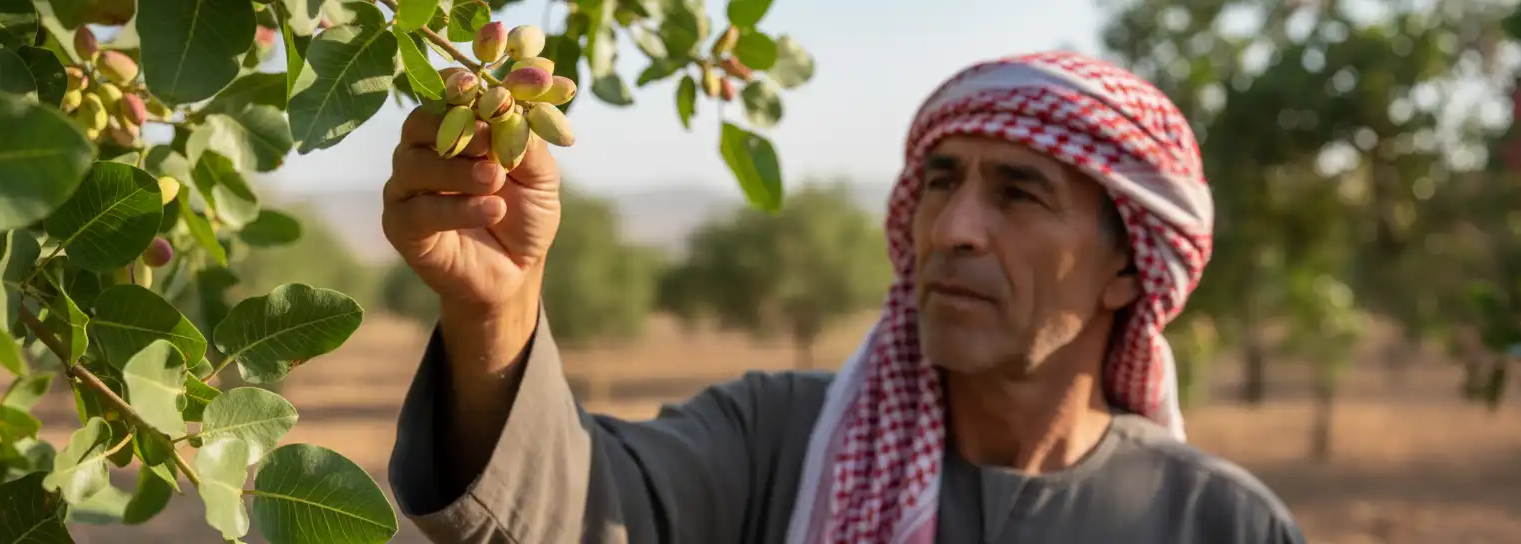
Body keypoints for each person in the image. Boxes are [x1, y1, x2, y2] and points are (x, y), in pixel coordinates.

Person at [380, 51, 1305, 543]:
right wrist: (497, 308)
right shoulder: (776, 440)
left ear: (1130, 269)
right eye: (941, 183)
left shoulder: (1220, 523)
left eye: (1018, 194)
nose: (951, 230)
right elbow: (572, 514)